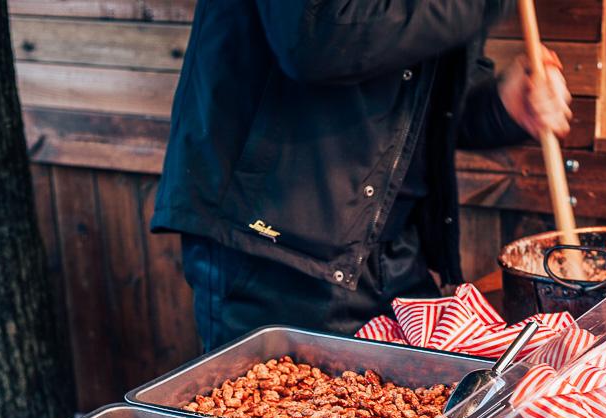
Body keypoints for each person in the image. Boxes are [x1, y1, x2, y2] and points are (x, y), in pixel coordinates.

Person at [151, 1, 572, 350]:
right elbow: (317, 36)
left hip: (393, 253)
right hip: (274, 251)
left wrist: (505, 105)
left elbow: (424, 97)